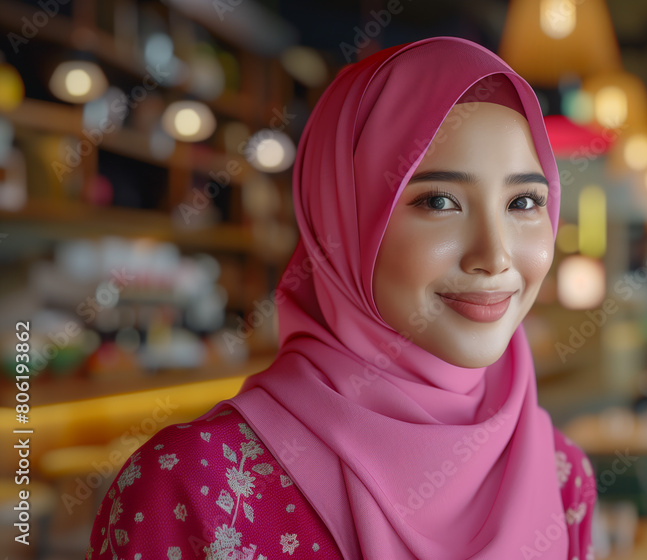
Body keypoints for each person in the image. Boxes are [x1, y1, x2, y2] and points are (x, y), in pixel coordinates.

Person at [87, 37, 596, 559]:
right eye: (440, 201)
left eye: (524, 201)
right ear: (341, 218)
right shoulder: (192, 489)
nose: (494, 255)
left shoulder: (562, 477)